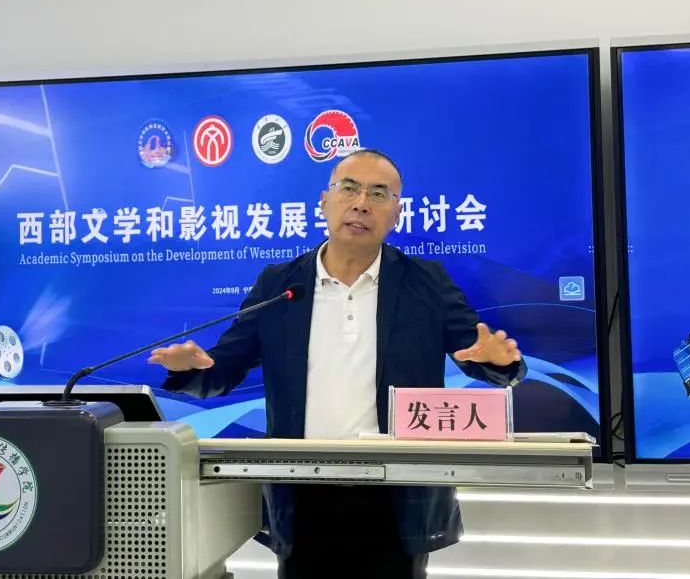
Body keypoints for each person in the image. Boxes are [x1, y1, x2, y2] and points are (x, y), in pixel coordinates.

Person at [149, 148, 526, 579]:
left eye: (378, 194)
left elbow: (476, 356)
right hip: (302, 492)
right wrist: (189, 369)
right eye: (349, 189)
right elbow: (223, 371)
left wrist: (500, 363)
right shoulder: (280, 284)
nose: (361, 203)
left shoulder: (426, 283)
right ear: (325, 202)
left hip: (396, 494)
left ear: (396, 214)